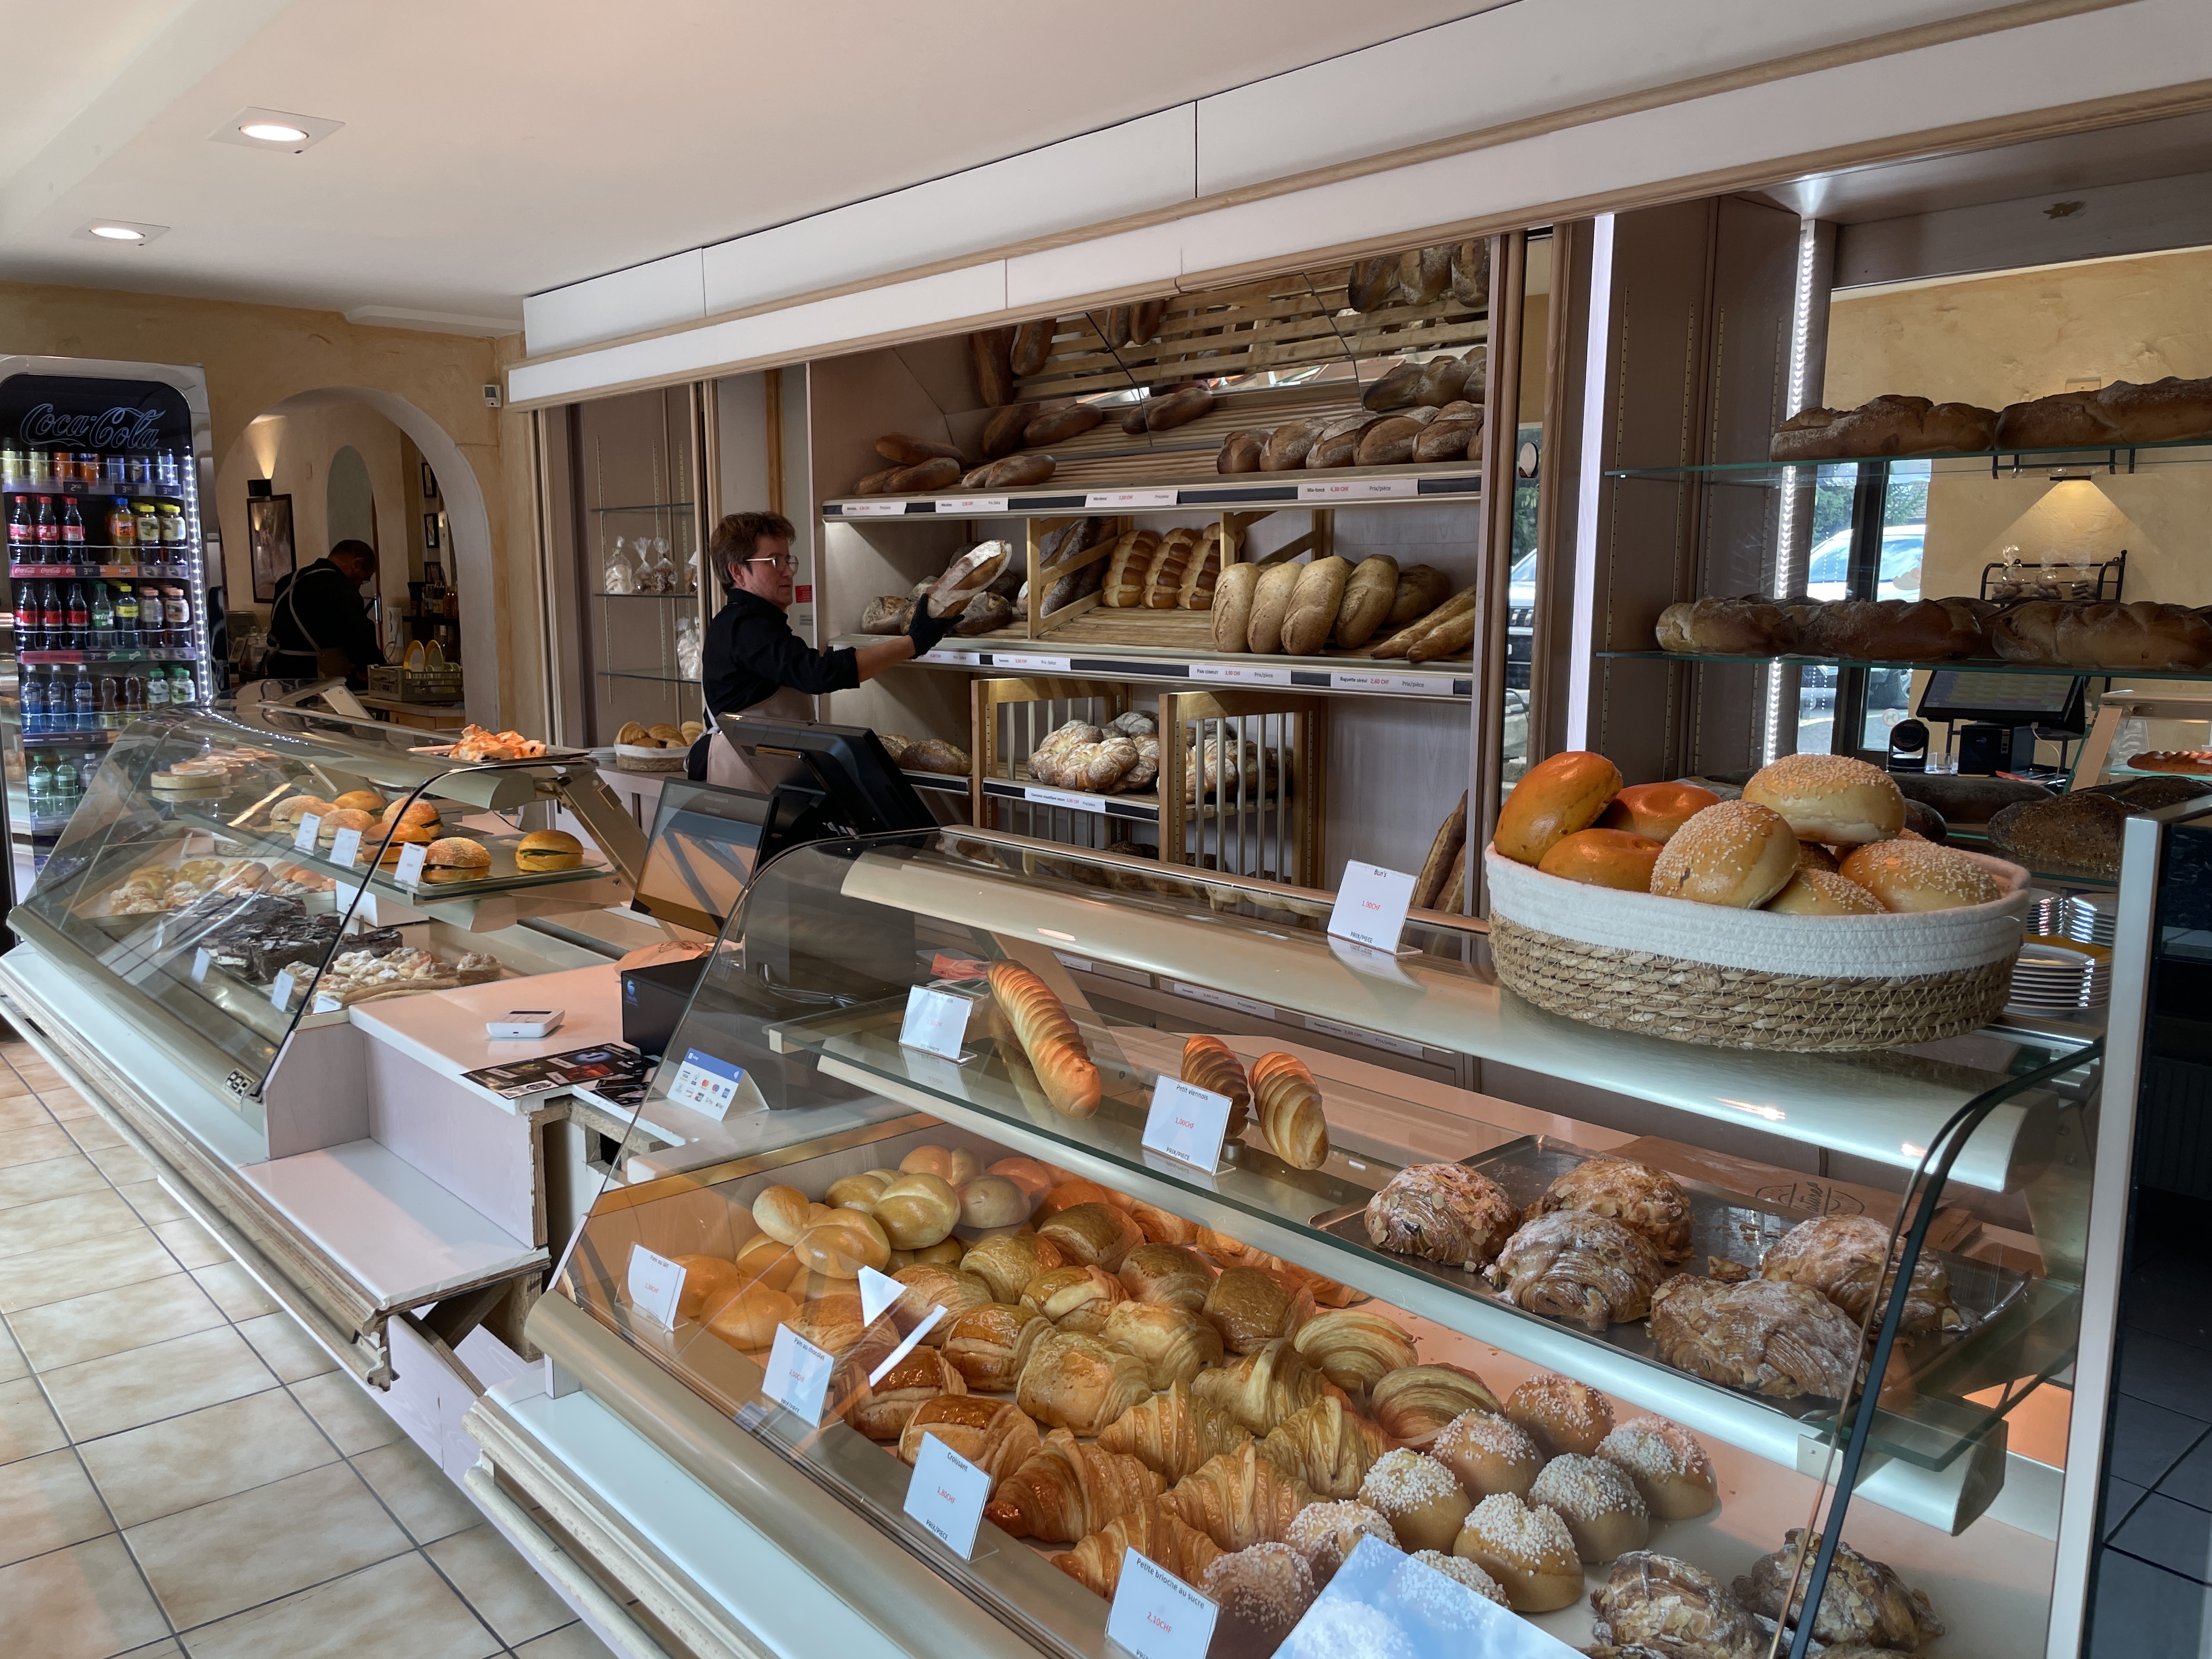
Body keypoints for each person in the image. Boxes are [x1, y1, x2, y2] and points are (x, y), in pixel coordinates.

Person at [693, 511, 950, 788]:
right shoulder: (745, 626)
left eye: (788, 560)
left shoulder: (745, 621)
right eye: (774, 561)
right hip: (744, 783)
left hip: (763, 778)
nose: (788, 571)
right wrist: (913, 643)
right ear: (737, 572)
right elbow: (818, 674)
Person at [266, 538, 385, 687]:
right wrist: (380, 670)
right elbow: (359, 640)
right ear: (357, 564)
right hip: (319, 680)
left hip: (282, 678)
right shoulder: (341, 589)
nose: (360, 585)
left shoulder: (286, 582)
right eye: (364, 579)